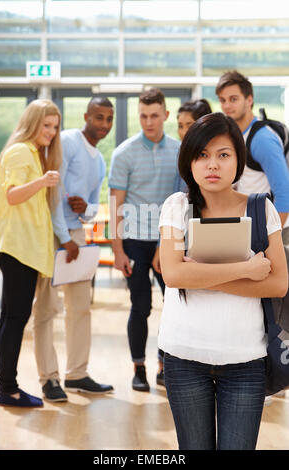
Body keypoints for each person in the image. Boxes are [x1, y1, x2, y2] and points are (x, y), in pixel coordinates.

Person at [158, 112, 288, 450]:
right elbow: (172, 274)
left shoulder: (261, 210)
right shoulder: (177, 207)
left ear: (238, 160)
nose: (212, 164)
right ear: (189, 161)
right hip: (184, 357)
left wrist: (198, 275)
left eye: (223, 154)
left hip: (245, 360)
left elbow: (278, 284)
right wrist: (245, 269)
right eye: (202, 155)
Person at [32, 97, 114, 402]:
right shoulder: (66, 142)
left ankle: (77, 374)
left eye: (109, 119)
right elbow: (52, 193)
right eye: (98, 117)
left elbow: (92, 209)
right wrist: (64, 237)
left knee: (81, 307)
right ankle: (48, 379)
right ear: (86, 116)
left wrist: (86, 207)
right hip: (53, 234)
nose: (104, 124)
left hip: (75, 236)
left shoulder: (100, 160)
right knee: (47, 308)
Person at [0, 99, 62, 407]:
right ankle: (8, 388)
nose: (51, 132)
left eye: (55, 127)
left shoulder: (32, 152)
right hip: (18, 247)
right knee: (14, 317)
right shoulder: (21, 151)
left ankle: (7, 386)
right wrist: (43, 181)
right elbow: (12, 195)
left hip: (22, 248)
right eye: (46, 125)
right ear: (32, 123)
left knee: (11, 316)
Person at [109, 88, 180, 391]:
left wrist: (169, 244)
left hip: (169, 239)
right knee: (140, 307)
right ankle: (139, 369)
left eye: (154, 115)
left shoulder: (180, 151)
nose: (148, 122)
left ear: (165, 115)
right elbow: (115, 205)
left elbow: (184, 200)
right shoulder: (123, 153)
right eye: (143, 116)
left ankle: (166, 365)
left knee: (175, 306)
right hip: (134, 241)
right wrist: (117, 251)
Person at [215, 70, 289, 245]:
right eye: (223, 100)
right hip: (252, 230)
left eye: (233, 99)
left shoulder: (262, 139)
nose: (227, 106)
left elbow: (284, 193)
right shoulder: (236, 136)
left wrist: (271, 239)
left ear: (249, 100)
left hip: (274, 231)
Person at [174, 99, 212, 192]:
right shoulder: (182, 152)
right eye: (180, 126)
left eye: (189, 125)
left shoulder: (210, 155)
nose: (183, 132)